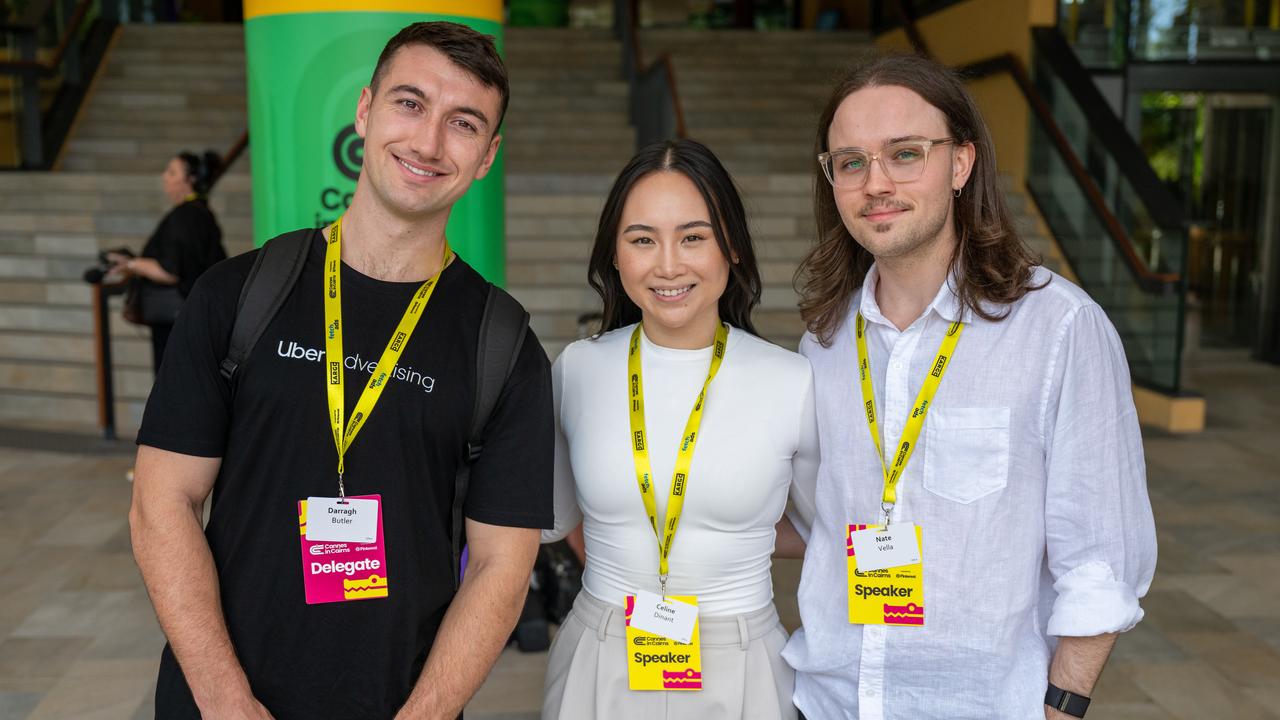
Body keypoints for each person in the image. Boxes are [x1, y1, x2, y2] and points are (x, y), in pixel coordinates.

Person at [128, 22, 553, 719]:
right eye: (409, 103)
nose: (427, 142)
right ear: (364, 110)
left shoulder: (503, 346)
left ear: (487, 156)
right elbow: (160, 504)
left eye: (464, 123)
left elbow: (502, 567)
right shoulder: (236, 295)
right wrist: (226, 701)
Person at [782, 54, 1157, 719]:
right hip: (829, 700)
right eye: (850, 162)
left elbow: (1101, 557)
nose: (876, 184)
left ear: (961, 163)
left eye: (905, 154)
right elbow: (817, 520)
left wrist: (1061, 707)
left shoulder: (1060, 330)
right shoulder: (825, 343)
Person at [541, 138, 819, 719]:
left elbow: (824, 526)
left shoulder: (792, 381)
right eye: (642, 239)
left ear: (733, 249)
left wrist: (738, 535)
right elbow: (561, 516)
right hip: (601, 653)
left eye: (694, 237)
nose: (668, 265)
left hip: (743, 663)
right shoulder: (578, 368)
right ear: (614, 256)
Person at [109, 151, 226, 373]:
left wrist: (132, 265)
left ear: (190, 180)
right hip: (196, 316)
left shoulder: (184, 217)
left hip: (175, 319)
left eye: (172, 172)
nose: (165, 176)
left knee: (172, 383)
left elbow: (169, 270)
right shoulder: (201, 213)